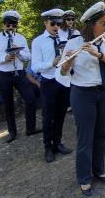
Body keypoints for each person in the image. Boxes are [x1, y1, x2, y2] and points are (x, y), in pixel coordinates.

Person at [59, 1, 105, 196]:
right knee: (85, 136)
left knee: (102, 133)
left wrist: (100, 54)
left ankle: (99, 169)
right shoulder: (74, 43)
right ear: (92, 25)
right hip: (83, 93)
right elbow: (62, 71)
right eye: (103, 23)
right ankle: (84, 177)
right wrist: (68, 61)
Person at [0, 10, 41, 143]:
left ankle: (31, 128)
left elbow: (28, 56)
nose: (11, 28)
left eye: (14, 25)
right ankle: (12, 132)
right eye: (8, 25)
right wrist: (4, 58)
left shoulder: (21, 38)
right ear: (3, 25)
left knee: (30, 99)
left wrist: (19, 52)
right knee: (8, 104)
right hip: (3, 75)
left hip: (19, 73)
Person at [31, 9, 72, 163]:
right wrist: (51, 63)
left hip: (63, 79)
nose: (56, 26)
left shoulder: (64, 38)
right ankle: (48, 148)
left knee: (61, 114)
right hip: (48, 82)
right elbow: (34, 66)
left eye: (58, 23)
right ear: (45, 23)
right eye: (52, 23)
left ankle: (58, 143)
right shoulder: (38, 41)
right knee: (48, 117)